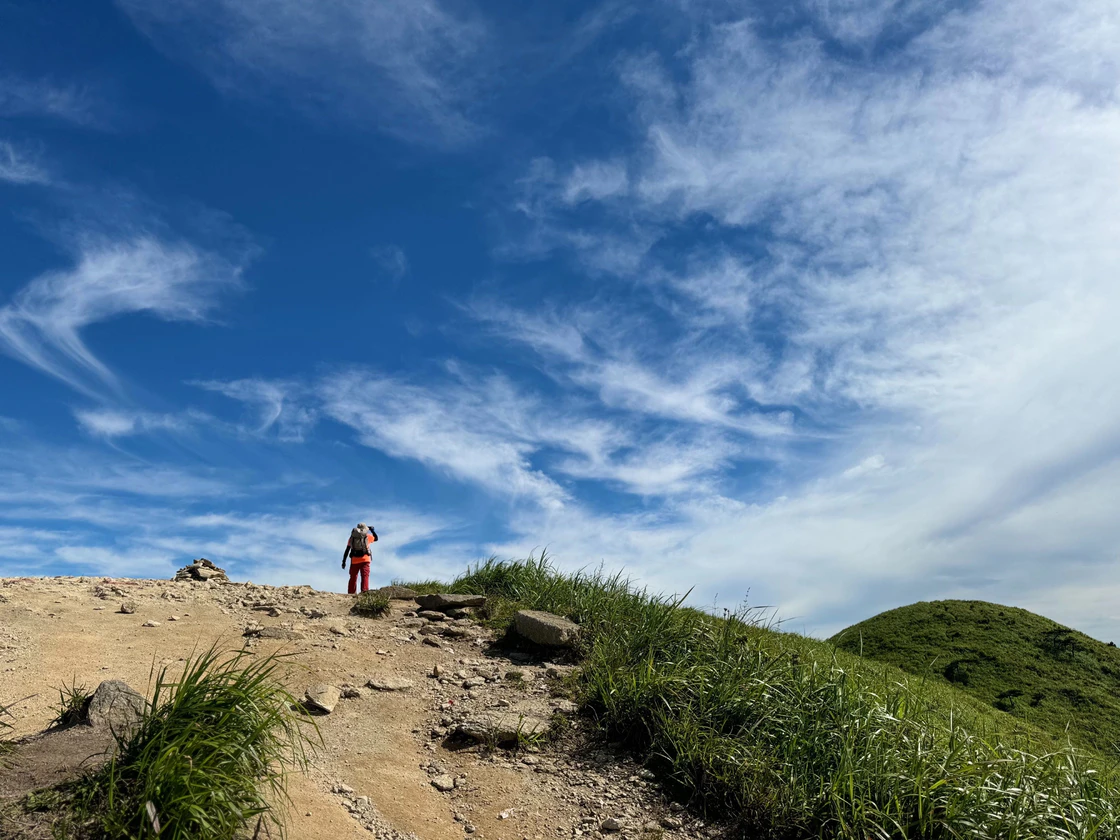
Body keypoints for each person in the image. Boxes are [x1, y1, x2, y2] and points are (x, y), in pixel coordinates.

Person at [342, 522, 378, 594]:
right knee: (365, 576)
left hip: (354, 560)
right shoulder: (368, 536)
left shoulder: (352, 538)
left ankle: (351, 592)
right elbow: (376, 538)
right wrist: (372, 530)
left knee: (353, 577)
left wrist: (344, 561)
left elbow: (347, 550)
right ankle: (364, 592)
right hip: (365, 560)